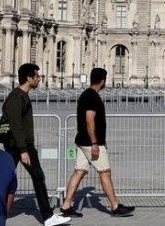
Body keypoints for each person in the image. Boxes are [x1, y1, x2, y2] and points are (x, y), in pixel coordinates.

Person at [0, 63, 71, 226]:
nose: (39, 79)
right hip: (20, 146)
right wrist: (23, 150)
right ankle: (47, 216)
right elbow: (16, 125)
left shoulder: (21, 95)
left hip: (20, 145)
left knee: (8, 177)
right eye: (37, 76)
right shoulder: (16, 97)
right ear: (29, 78)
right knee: (36, 177)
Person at [58, 68, 135, 218]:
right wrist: (95, 143)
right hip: (90, 142)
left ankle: (66, 206)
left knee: (79, 172)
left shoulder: (87, 94)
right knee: (105, 172)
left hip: (83, 140)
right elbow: (90, 120)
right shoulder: (92, 96)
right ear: (102, 81)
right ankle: (115, 207)